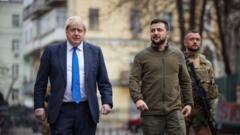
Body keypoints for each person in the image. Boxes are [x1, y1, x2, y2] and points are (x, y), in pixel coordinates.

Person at [34, 16, 113, 135]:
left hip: (87, 111)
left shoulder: (95, 52)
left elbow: (104, 81)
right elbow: (41, 82)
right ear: (66, 32)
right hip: (60, 111)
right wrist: (39, 105)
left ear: (84, 33)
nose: (76, 33)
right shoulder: (52, 51)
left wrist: (107, 101)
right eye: (73, 30)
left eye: (80, 30)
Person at [129, 18, 194, 135]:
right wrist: (137, 99)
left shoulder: (177, 55)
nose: (156, 33)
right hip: (150, 112)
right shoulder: (141, 56)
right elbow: (133, 79)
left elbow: (185, 81)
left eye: (159, 30)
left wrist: (189, 103)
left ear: (167, 33)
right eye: (152, 30)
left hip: (174, 111)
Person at [184, 30, 218, 135]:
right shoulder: (179, 62)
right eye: (192, 39)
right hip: (182, 108)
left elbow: (212, 89)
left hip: (201, 110)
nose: (195, 41)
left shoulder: (207, 64)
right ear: (185, 43)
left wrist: (211, 111)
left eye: (197, 39)